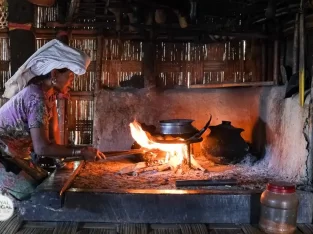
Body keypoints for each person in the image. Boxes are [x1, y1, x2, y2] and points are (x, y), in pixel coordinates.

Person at [0, 39, 105, 201]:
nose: (72, 81)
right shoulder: (35, 97)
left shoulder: (47, 96)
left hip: (14, 155)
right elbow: (42, 148)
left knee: (44, 184)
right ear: (55, 74)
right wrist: (80, 152)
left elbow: (51, 142)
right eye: (70, 76)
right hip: (4, 156)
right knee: (34, 196)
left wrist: (63, 160)